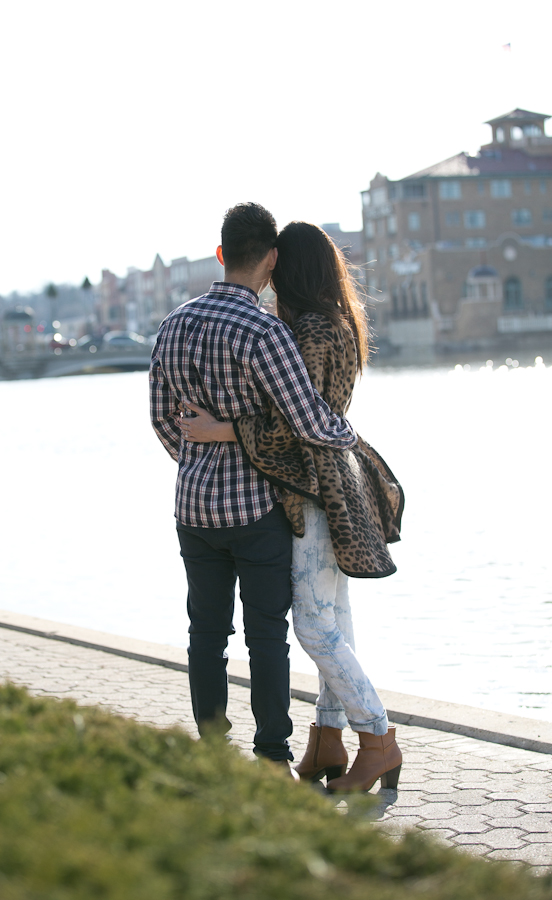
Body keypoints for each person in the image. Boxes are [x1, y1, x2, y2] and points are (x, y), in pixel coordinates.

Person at [178, 221, 404, 793]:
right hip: (330, 484)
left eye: (276, 268)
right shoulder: (329, 321)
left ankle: (377, 739)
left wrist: (221, 431)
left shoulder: (309, 331)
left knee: (311, 623)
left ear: (288, 267)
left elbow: (296, 426)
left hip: (312, 490)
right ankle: (328, 739)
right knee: (335, 620)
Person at [149, 204, 358, 775]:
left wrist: (198, 458)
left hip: (192, 510)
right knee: (267, 636)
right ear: (269, 261)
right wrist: (356, 445)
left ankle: (214, 754)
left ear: (221, 255)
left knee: (205, 633)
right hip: (257, 510)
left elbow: (163, 422)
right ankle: (270, 758)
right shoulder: (266, 331)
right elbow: (308, 421)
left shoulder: (173, 325)